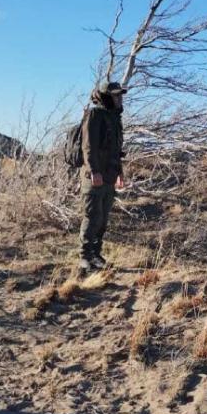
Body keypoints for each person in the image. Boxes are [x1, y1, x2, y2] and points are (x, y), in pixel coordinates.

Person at [79, 81, 126, 273]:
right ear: (106, 96)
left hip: (109, 176)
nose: (119, 98)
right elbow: (87, 147)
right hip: (94, 176)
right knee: (92, 216)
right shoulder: (94, 115)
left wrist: (120, 172)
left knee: (103, 218)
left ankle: (96, 254)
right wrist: (93, 171)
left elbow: (115, 150)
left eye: (120, 95)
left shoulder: (115, 119)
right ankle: (84, 256)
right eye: (116, 95)